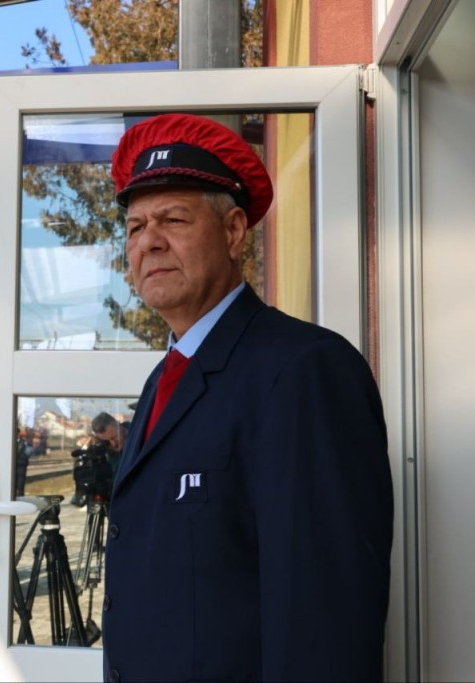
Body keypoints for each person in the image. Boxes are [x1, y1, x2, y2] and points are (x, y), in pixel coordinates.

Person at [101, 113, 393, 682]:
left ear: (234, 232)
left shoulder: (304, 370)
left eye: (172, 219)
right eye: (135, 227)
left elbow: (325, 623)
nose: (148, 241)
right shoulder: (165, 378)